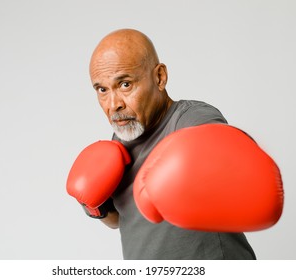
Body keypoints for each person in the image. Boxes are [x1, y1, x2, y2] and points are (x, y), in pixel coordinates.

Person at [67, 29, 283, 259]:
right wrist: (94, 205)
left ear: (159, 77)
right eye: (102, 90)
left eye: (125, 85)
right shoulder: (118, 143)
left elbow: (235, 169)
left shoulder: (192, 118)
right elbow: (121, 221)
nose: (114, 104)